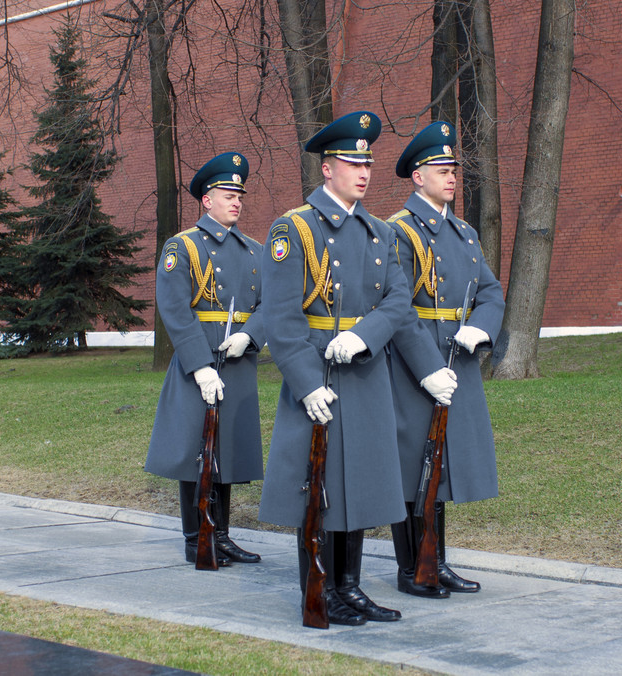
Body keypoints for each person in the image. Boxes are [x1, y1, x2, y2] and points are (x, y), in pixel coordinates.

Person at [259, 111, 456, 626]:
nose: (363, 171)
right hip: (318, 373)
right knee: (319, 488)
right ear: (328, 169)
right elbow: (281, 320)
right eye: (352, 162)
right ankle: (320, 592)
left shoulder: (378, 231)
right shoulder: (293, 229)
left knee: (359, 485)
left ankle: (349, 586)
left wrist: (365, 338)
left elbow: (397, 304)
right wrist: (304, 384)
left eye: (367, 162)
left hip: (364, 370)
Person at [387, 121, 505, 598]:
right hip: (417, 361)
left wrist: (481, 326)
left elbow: (492, 291)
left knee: (442, 467)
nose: (451, 174)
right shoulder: (398, 232)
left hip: (458, 354)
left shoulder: (463, 232)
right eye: (440, 168)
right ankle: (411, 567)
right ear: (418, 176)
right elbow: (396, 308)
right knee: (415, 464)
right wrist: (427, 367)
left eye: (453, 167)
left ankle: (436, 561)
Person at [145, 152, 265, 567]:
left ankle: (223, 535)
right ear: (206, 200)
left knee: (225, 451)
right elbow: (176, 311)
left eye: (239, 195)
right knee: (198, 452)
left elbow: (273, 304)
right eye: (228, 194)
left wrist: (250, 334)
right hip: (200, 360)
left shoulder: (255, 251)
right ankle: (197, 537)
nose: (236, 202)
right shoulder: (184, 246)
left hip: (237, 359)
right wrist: (199, 367)